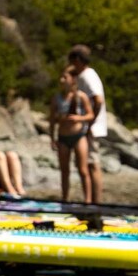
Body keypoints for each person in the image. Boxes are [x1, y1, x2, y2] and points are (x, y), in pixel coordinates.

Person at [67, 44, 107, 203]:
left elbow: (98, 100)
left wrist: (90, 121)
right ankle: (92, 202)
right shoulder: (85, 75)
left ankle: (96, 203)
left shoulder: (87, 75)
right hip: (89, 126)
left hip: (91, 127)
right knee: (88, 164)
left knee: (92, 164)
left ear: (78, 59)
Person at [49, 67, 95, 202]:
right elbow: (52, 119)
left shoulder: (81, 96)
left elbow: (90, 114)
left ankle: (88, 200)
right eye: (61, 77)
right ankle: (65, 198)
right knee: (64, 171)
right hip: (63, 137)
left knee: (83, 169)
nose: (61, 80)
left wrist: (79, 119)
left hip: (79, 136)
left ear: (73, 80)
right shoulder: (56, 98)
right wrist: (52, 138)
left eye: (65, 77)